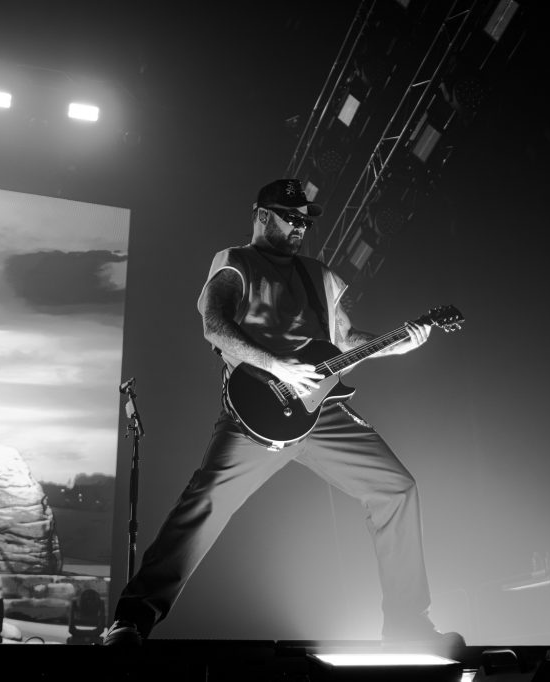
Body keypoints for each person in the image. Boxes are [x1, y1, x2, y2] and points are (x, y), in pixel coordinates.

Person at [105, 178, 461, 653]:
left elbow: (347, 342)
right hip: (254, 414)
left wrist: (400, 343)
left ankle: (407, 624)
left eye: (305, 221)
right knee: (205, 503)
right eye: (290, 218)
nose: (299, 227)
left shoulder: (319, 276)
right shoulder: (235, 263)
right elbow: (215, 326)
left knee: (397, 488)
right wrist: (277, 366)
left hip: (322, 414)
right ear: (261, 215)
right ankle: (130, 620)